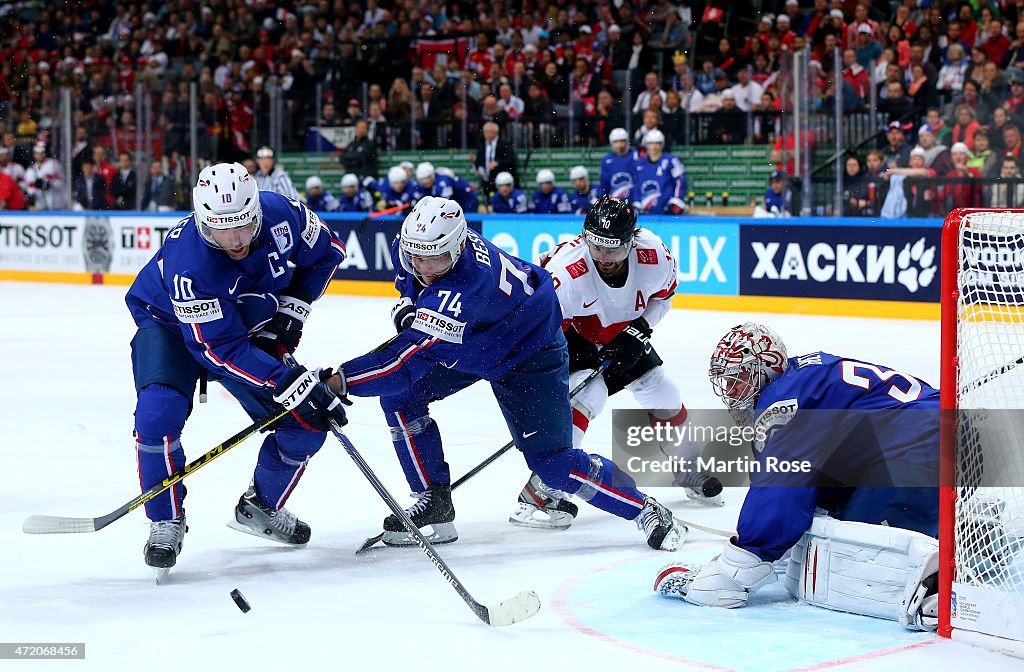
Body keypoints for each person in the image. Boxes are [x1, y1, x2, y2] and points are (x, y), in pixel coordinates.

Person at [324, 196, 684, 551]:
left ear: (458, 246)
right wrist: (406, 301)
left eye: (435, 259)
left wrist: (336, 382)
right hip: (479, 340)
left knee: (554, 465)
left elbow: (401, 365)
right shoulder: (436, 245)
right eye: (418, 255)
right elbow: (412, 273)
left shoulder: (464, 292)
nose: (425, 267)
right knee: (401, 398)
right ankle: (432, 500)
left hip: (529, 354)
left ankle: (644, 510)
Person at [123, 162, 347, 575]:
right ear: (202, 221)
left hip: (241, 322)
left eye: (244, 227)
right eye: (221, 231)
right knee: (157, 416)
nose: (235, 241)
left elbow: (329, 252)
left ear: (258, 212)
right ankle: (165, 518)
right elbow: (217, 349)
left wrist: (293, 308)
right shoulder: (190, 261)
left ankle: (262, 506)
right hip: (169, 325)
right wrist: (288, 379)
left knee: (306, 422)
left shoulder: (286, 214)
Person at [653, 323, 941, 632]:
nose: (731, 391)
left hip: (922, 445)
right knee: (838, 526)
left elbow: (782, 481)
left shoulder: (783, 399)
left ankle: (939, 594)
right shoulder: (804, 382)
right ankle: (964, 526)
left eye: (738, 379)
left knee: (858, 554)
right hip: (927, 439)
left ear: (766, 367)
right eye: (726, 382)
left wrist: (736, 567)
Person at [509, 197, 722, 530]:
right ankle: (542, 488)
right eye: (596, 247)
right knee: (586, 397)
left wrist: (640, 329)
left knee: (662, 391)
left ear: (631, 241)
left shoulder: (654, 255)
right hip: (571, 337)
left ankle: (687, 467)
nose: (603, 258)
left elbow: (663, 297)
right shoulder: (566, 274)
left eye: (613, 250)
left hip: (624, 331)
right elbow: (543, 336)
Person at [631, 130, 687, 215]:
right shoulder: (639, 164)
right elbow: (635, 185)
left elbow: (680, 182)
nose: (654, 147)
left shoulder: (672, 161)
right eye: (651, 143)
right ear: (646, 145)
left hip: (667, 210)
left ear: (662, 145)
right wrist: (636, 202)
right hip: (645, 212)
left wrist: (677, 201)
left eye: (658, 143)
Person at [472, 121, 517, 195]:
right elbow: (479, 163)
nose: (487, 134)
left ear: (496, 132)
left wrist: (497, 163)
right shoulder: (482, 146)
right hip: (487, 182)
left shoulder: (505, 144)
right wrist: (476, 164)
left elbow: (511, 160)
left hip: (502, 181)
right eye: (485, 132)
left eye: (490, 132)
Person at [24, 142, 66, 211]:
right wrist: (33, 191)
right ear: (34, 155)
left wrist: (49, 183)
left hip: (56, 203)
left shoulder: (54, 164)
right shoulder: (30, 170)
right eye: (37, 153)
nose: (39, 155)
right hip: (40, 205)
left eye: (41, 153)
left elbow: (63, 182)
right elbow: (29, 189)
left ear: (44, 153)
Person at [600, 128, 637, 199]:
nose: (619, 144)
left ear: (627, 141)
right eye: (616, 141)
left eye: (622, 141)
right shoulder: (606, 160)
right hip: (615, 202)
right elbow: (604, 185)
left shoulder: (636, 156)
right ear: (611, 143)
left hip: (634, 201)